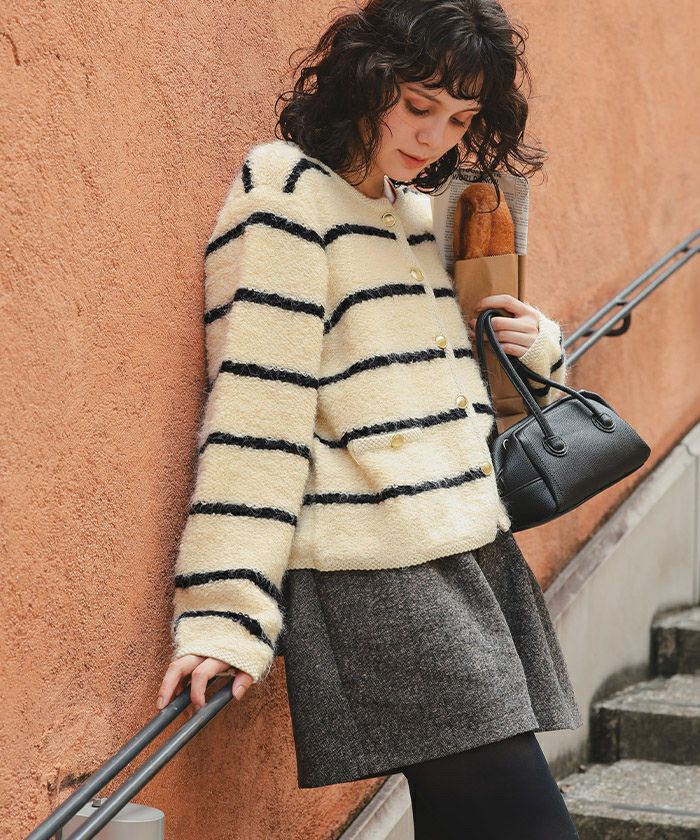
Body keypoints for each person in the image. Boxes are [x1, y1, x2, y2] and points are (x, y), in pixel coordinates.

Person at [156, 0, 582, 835]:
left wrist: (536, 347)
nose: (434, 136)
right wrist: (224, 610)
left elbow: (448, 385)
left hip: (467, 550)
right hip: (377, 572)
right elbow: (255, 411)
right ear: (367, 77)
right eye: (419, 105)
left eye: (458, 119)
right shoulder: (286, 195)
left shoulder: (413, 214)